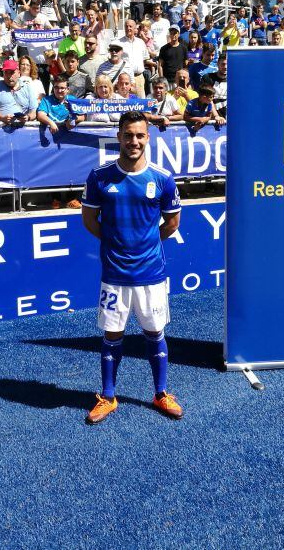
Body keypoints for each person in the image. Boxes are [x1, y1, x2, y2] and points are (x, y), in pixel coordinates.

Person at [81, 111, 183, 424]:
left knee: (155, 333)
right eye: (128, 135)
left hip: (151, 273)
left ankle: (161, 393)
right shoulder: (99, 177)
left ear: (148, 138)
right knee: (112, 335)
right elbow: (89, 221)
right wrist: (116, 243)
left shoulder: (162, 178)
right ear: (119, 137)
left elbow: (172, 222)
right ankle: (108, 397)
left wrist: (144, 244)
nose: (134, 141)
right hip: (114, 274)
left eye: (140, 135)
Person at [0, 59, 38, 125]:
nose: (9, 76)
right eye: (6, 73)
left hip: (23, 127)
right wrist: (2, 118)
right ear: (3, 74)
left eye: (12, 72)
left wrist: (28, 118)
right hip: (2, 126)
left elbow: (34, 112)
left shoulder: (27, 87)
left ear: (19, 73)